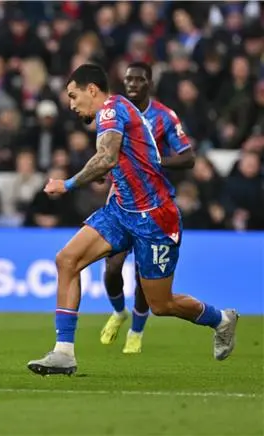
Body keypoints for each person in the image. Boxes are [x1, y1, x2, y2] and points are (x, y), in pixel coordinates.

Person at [27, 64, 238, 376]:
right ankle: (64, 353)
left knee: (161, 304)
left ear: (92, 90)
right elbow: (114, 160)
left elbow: (106, 157)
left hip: (155, 217)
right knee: (67, 260)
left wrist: (67, 183)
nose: (71, 104)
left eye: (73, 96)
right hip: (122, 211)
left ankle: (221, 319)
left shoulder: (111, 110)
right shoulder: (114, 111)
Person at [100, 62, 196, 354]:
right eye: (128, 79)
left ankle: (137, 331)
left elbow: (188, 157)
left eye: (139, 79)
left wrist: (155, 162)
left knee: (144, 273)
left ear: (149, 83)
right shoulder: (115, 112)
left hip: (153, 205)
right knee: (113, 265)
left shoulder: (165, 117)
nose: (132, 84)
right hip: (120, 198)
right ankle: (118, 312)